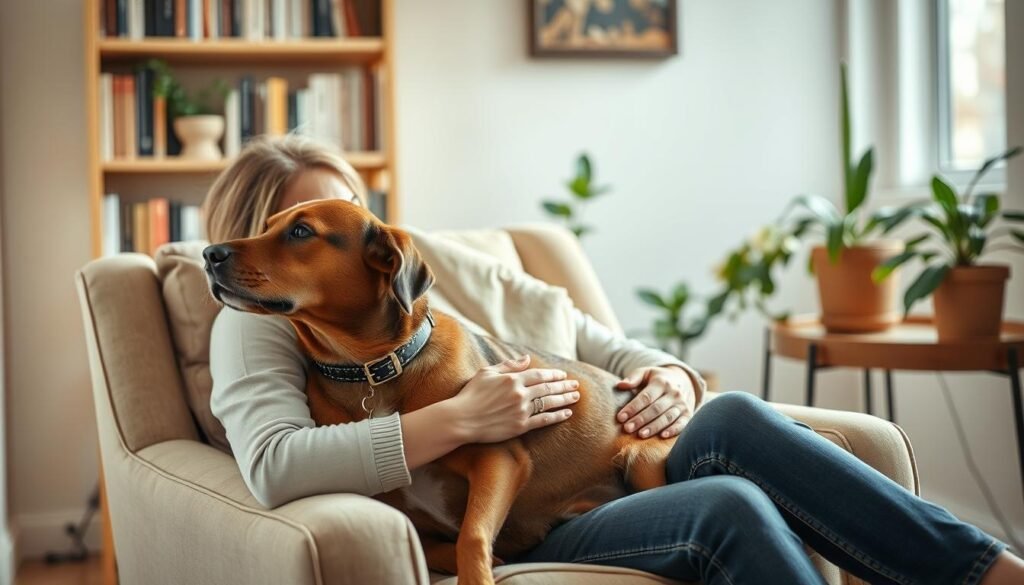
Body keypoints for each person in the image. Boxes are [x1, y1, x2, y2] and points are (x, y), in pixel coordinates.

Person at [205, 136, 1023, 585]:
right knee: (726, 508)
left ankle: (986, 573)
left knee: (730, 415)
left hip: (599, 464)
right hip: (524, 522)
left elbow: (602, 343)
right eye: (290, 223)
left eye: (333, 212)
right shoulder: (261, 317)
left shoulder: (432, 282)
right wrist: (454, 418)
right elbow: (275, 464)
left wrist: (671, 374)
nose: (310, 230)